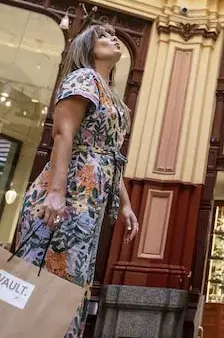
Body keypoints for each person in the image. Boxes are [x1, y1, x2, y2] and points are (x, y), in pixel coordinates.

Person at [15, 23, 140, 338]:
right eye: (103, 37)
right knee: (52, 274)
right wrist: (56, 192)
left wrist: (125, 204)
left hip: (90, 199)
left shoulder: (109, 92)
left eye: (114, 35)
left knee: (74, 276)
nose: (113, 39)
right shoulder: (83, 78)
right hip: (67, 194)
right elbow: (63, 134)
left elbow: (111, 154)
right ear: (87, 47)